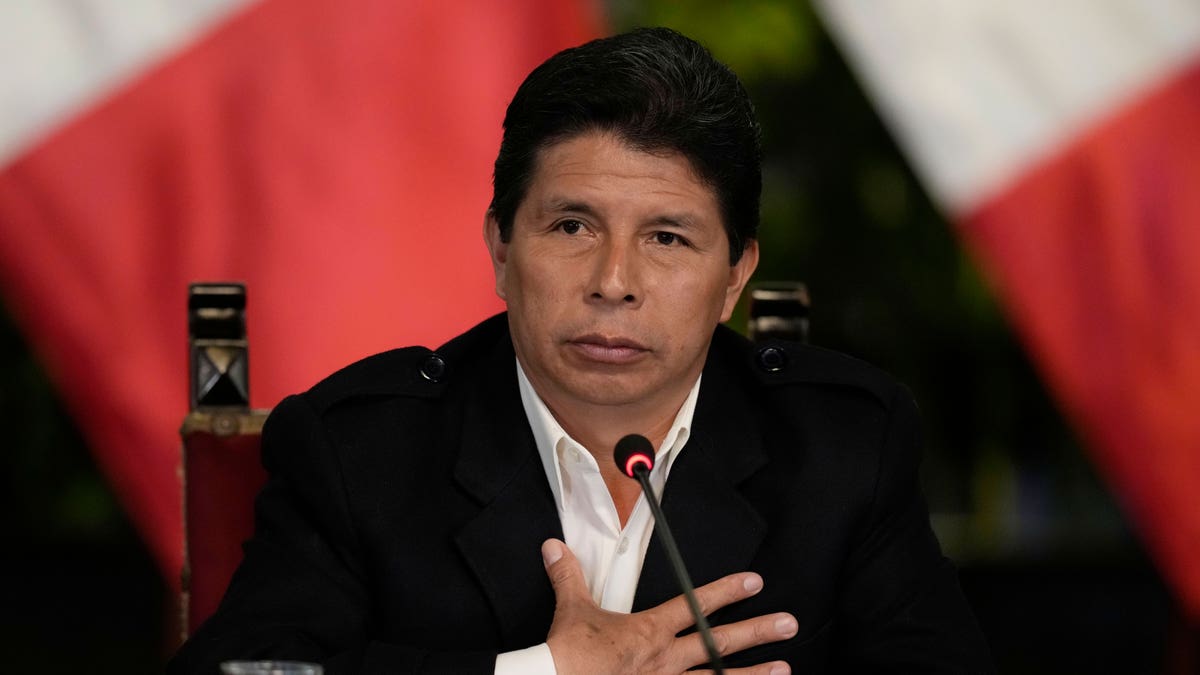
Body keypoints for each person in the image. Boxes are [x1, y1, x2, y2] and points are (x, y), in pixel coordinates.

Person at [169, 27, 992, 674]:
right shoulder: (361, 451)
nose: (614, 281)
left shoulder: (843, 446)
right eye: (572, 226)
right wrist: (544, 672)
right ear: (500, 246)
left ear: (736, 273)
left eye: (667, 237)